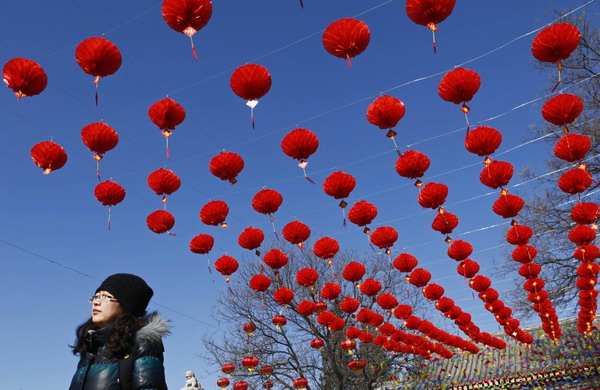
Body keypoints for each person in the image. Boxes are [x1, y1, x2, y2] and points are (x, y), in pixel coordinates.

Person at [69, 273, 169, 390]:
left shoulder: (142, 343)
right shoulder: (90, 348)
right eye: (95, 297)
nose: (96, 302)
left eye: (105, 297)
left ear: (126, 304)